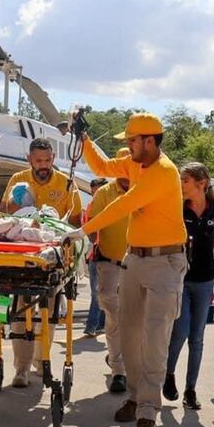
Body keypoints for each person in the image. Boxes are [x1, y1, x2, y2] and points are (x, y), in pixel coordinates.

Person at [66, 113, 187, 427]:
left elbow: (125, 204)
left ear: (149, 140)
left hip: (166, 262)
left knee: (155, 337)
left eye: (131, 141)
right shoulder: (136, 165)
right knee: (129, 334)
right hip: (134, 260)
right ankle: (136, 396)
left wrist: (83, 230)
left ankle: (147, 411)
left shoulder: (163, 171)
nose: (128, 147)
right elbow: (103, 167)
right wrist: (85, 139)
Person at [0, 138, 83, 387]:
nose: (43, 165)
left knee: (48, 314)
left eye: (47, 160)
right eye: (38, 161)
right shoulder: (18, 180)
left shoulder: (66, 183)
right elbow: (4, 212)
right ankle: (21, 369)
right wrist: (21, 203)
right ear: (29, 160)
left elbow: (76, 221)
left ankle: (41, 361)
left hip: (52, 262)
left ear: (53, 159)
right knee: (21, 313)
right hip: (23, 260)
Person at [164, 163, 214, 410]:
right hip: (180, 279)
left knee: (198, 337)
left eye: (185, 181)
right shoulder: (178, 209)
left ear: (201, 184)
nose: (181, 185)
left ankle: (191, 390)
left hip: (204, 280)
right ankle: (168, 375)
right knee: (180, 331)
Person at [83, 153, 132, 394]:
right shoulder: (104, 193)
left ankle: (128, 362)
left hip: (140, 265)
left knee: (138, 319)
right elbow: (92, 222)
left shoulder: (146, 189)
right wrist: (90, 242)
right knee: (114, 319)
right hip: (110, 265)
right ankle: (118, 370)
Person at [82, 178, 109, 338]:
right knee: (97, 292)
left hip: (107, 254)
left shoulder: (112, 207)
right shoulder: (91, 208)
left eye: (98, 192)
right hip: (95, 254)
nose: (95, 196)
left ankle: (95, 325)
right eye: (93, 193)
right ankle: (96, 325)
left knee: (103, 292)